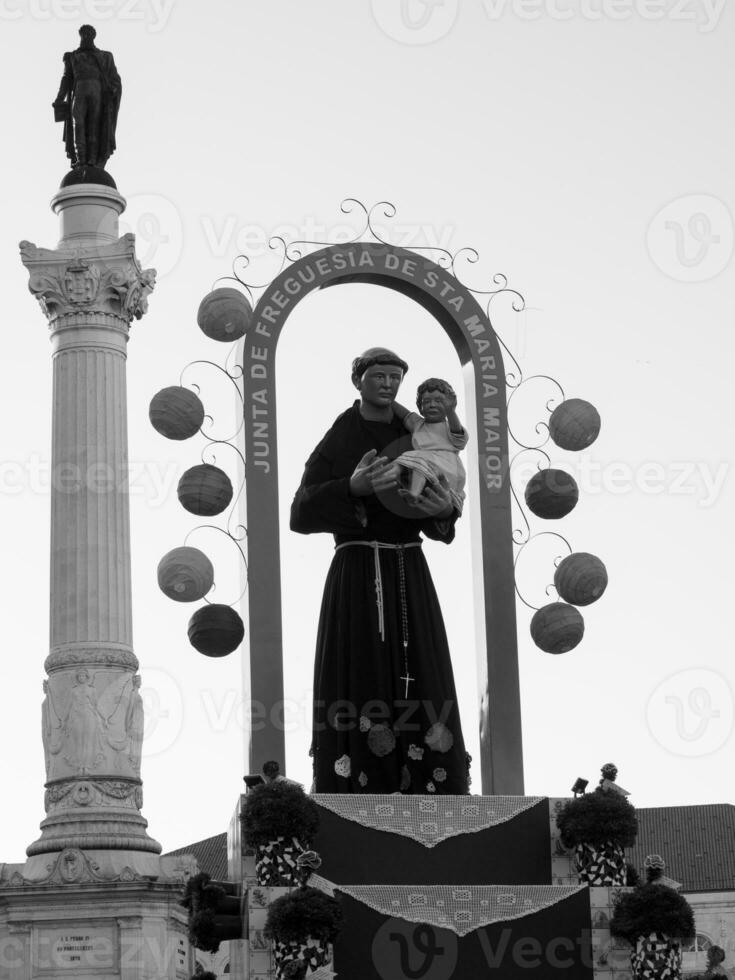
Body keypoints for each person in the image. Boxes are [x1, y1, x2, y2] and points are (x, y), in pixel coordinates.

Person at [290, 347, 470, 795]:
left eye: (395, 376)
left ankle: (433, 784)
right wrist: (353, 487)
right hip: (356, 570)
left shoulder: (414, 430)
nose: (387, 384)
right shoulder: (342, 432)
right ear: (358, 381)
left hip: (408, 566)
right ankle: (353, 784)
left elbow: (443, 486)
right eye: (378, 375)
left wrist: (444, 509)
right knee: (358, 669)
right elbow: (300, 510)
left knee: (421, 667)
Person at [393, 378, 468, 514]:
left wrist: (451, 412)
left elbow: (458, 434)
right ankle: (397, 482)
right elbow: (402, 413)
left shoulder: (450, 426)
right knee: (416, 464)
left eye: (439, 401)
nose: (432, 405)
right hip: (424, 463)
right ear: (420, 406)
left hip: (448, 466)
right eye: (426, 402)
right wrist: (388, 398)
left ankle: (411, 491)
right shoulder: (418, 424)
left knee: (416, 459)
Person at [53, 25, 122, 169]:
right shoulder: (72, 56)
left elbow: (114, 79)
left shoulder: (105, 56)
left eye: (89, 34)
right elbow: (66, 78)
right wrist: (60, 98)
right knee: (78, 124)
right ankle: (81, 159)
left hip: (96, 90)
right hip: (79, 90)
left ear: (93, 36)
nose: (87, 37)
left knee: (94, 124)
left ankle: (92, 160)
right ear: (80, 36)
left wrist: (113, 90)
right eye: (84, 34)